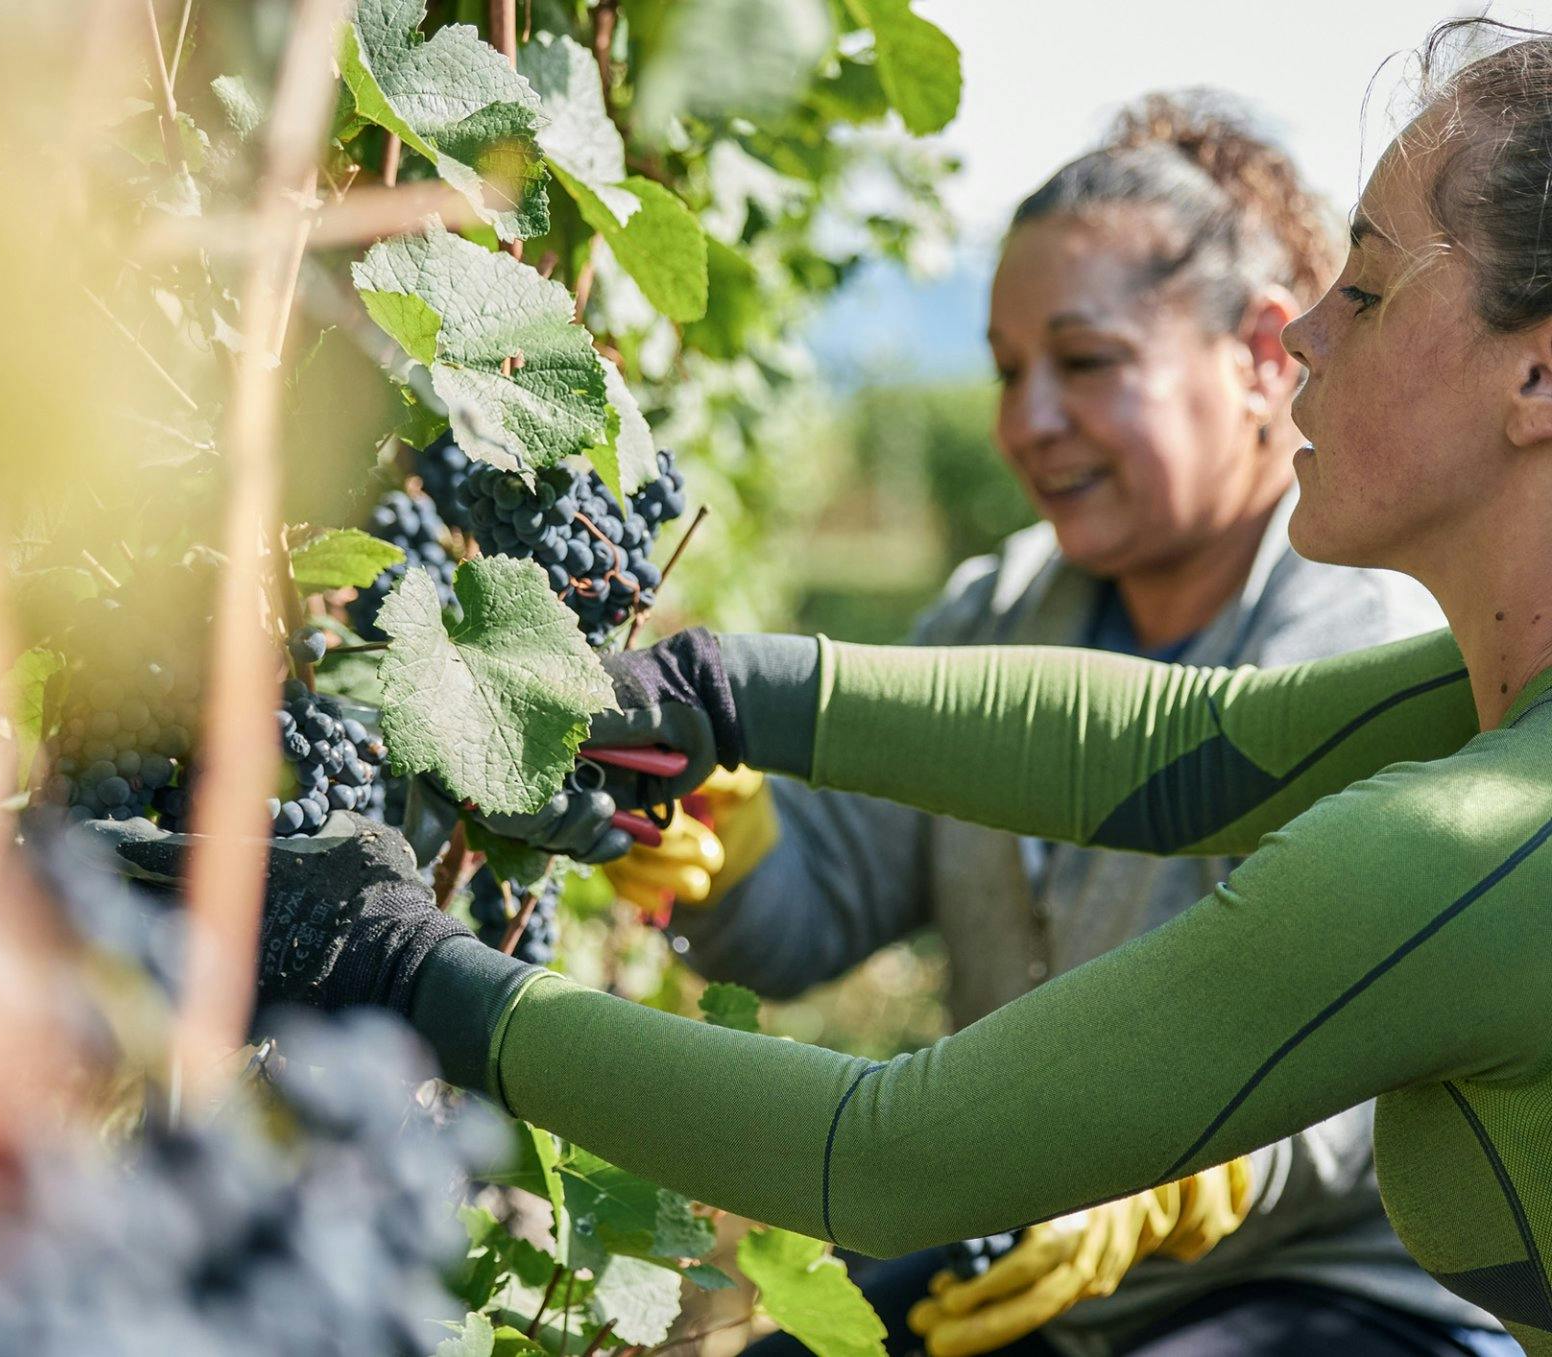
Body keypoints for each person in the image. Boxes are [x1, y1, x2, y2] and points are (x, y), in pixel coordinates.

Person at [98, 20, 1552, 1357]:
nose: (1309, 335)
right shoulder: (1471, 714)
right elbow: (1188, 749)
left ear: (1538, 379)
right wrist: (719, 692)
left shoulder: (1471, 834)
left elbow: (886, 1155)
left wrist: (403, 969)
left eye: (1366, 287)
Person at [596, 94, 1509, 1357]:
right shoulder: (995, 618)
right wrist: (727, 852)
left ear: (1255, 357)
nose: (1026, 421)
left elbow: (1382, 1043)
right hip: (1021, 1259)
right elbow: (812, 917)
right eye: (1007, 370)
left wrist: (1179, 1181)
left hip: (1323, 1299)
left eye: (1084, 364)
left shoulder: (1366, 646)